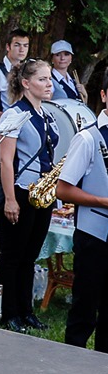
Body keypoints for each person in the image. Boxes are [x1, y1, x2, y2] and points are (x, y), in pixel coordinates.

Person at [0, 58, 59, 331]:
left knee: (30, 256)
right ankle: (9, 312)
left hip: (42, 194)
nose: (49, 84)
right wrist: (10, 199)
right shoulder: (13, 114)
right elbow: (5, 160)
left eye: (50, 79)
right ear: (26, 83)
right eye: (42, 79)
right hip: (20, 192)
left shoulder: (46, 114)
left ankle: (26, 311)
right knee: (13, 256)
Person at [56, 69, 108, 352]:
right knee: (85, 308)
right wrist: (102, 201)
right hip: (94, 236)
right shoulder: (88, 138)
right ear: (103, 95)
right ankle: (72, 363)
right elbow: (63, 190)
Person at [0, 28, 30, 120]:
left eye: (25, 46)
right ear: (8, 47)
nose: (22, 49)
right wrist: (11, 117)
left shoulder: (27, 72)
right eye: (17, 45)